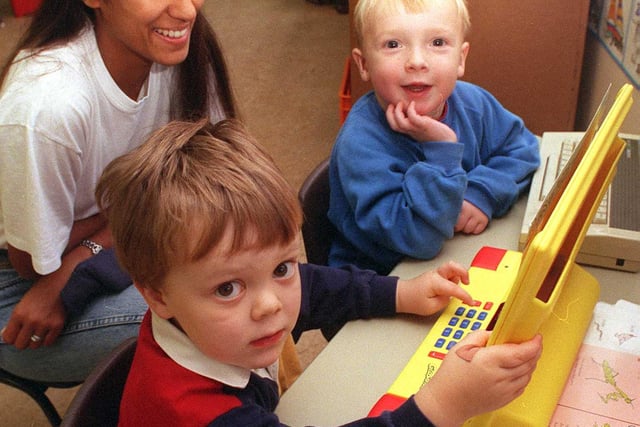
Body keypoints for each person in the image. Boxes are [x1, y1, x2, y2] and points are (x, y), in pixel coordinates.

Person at [96, 118, 542, 426]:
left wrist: (402, 293)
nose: (271, 302)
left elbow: (313, 288)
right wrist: (445, 404)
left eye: (281, 267)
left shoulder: (219, 316)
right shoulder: (193, 412)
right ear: (156, 296)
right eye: (229, 288)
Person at [0, 0, 236, 383]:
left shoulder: (178, 46)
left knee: (248, 273)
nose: (187, 11)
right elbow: (33, 262)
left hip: (107, 247)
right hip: (20, 286)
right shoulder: (48, 108)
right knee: (215, 315)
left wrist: (91, 242)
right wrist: (135, 205)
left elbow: (215, 180)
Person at [328, 0, 541, 275]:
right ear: (364, 64)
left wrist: (481, 194)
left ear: (461, 58)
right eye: (393, 45)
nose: (417, 61)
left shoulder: (473, 102)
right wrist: (439, 149)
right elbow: (418, 238)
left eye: (437, 42)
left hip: (452, 257)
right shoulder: (360, 143)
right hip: (382, 281)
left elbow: (523, 148)